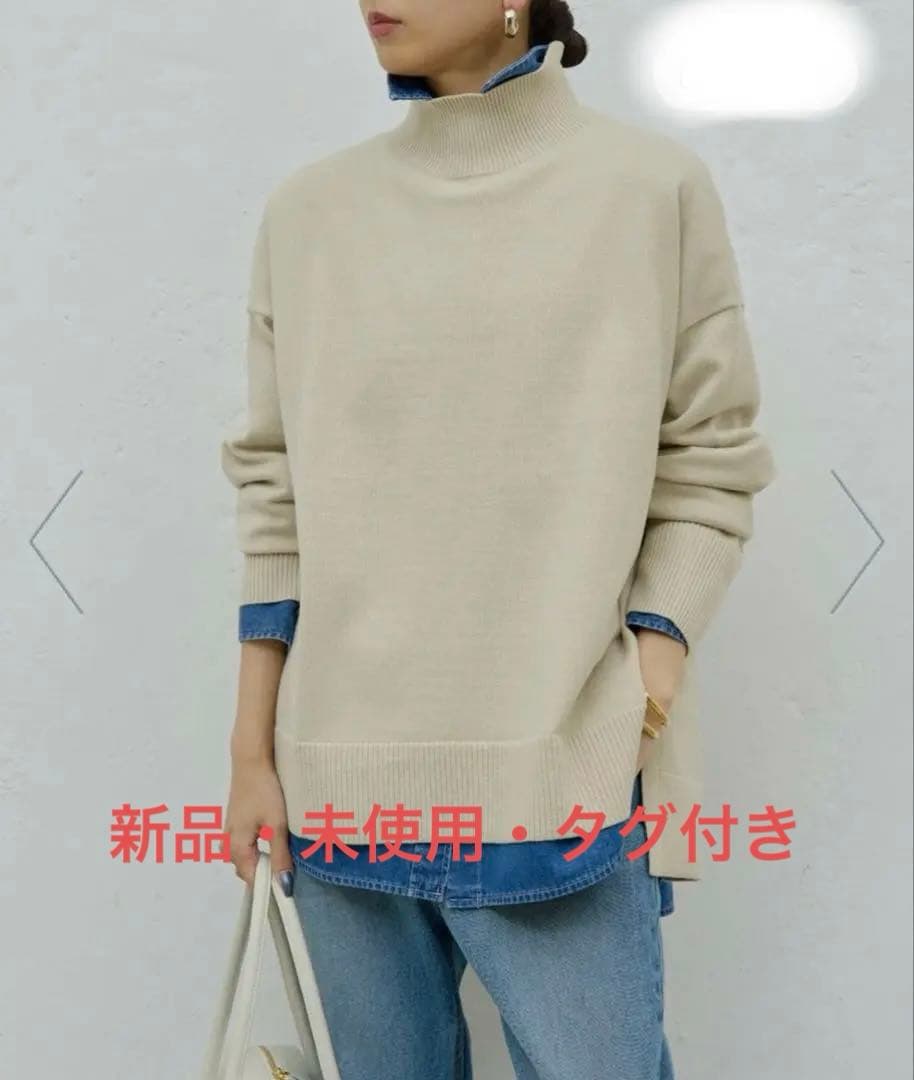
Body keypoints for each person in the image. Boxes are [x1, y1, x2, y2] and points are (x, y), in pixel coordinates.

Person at [219, 2, 775, 1077]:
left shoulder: (647, 190)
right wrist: (251, 755)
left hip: (563, 785)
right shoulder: (309, 214)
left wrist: (646, 682)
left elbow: (710, 457)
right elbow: (273, 492)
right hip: (337, 790)